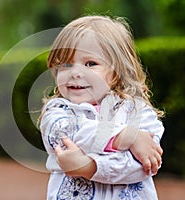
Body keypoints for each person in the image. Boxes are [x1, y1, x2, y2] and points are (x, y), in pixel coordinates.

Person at [39, 15, 164, 200]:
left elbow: (143, 166)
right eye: (66, 64)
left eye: (90, 64)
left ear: (116, 73)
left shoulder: (138, 112)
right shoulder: (57, 112)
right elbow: (74, 134)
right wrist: (128, 138)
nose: (75, 73)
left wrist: (89, 166)